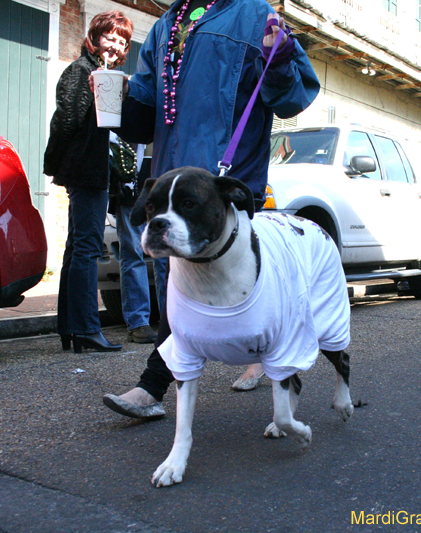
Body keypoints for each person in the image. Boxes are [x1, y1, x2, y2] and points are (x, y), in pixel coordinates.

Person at [102, 0, 320, 420]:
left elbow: (293, 97)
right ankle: (158, 384)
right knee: (179, 286)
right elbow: (147, 112)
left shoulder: (257, 15)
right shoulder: (170, 23)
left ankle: (168, 380)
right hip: (174, 181)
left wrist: (279, 57)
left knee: (240, 280)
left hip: (225, 184)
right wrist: (119, 98)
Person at [43, 11, 133, 353]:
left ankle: (70, 326)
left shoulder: (104, 76)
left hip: (91, 171)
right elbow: (64, 123)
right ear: (95, 36)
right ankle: (85, 328)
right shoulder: (81, 72)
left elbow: (107, 125)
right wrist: (56, 164)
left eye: (122, 41)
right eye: (110, 37)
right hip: (86, 173)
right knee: (87, 249)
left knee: (77, 248)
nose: (116, 45)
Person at [108, 133, 161, 343]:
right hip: (130, 186)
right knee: (133, 253)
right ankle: (139, 322)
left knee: (163, 257)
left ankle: (168, 319)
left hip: (157, 184)